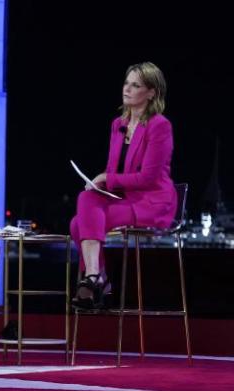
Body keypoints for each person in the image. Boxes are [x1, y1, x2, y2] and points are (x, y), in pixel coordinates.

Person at [69, 62, 177, 308]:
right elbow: (113, 169)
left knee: (78, 224)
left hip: (153, 202)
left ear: (151, 93)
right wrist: (101, 187)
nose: (127, 89)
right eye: (126, 83)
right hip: (127, 198)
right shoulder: (118, 125)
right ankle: (96, 277)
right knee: (85, 199)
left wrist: (107, 178)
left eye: (135, 85)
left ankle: (96, 278)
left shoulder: (160, 126)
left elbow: (148, 178)